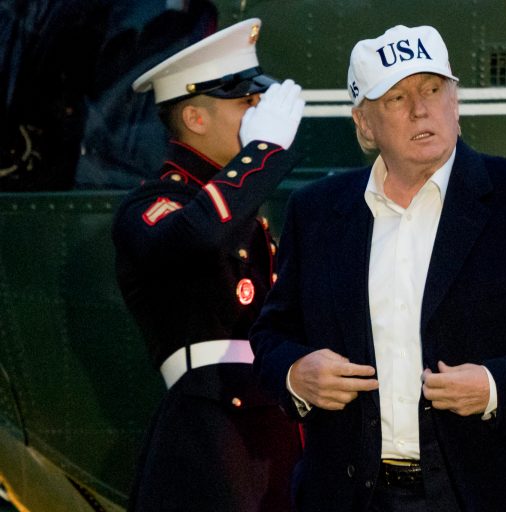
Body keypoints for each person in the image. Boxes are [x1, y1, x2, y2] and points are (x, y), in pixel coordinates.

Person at [250, 24, 506, 512]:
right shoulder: (317, 211)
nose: (420, 109)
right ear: (364, 124)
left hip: (503, 492)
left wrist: (496, 386)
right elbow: (271, 335)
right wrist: (295, 374)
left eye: (433, 89)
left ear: (456, 102)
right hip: (356, 495)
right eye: (397, 98)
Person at [112, 18, 304, 511]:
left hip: (269, 425)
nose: (259, 112)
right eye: (245, 102)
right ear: (196, 118)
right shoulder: (152, 207)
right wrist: (263, 153)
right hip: (212, 432)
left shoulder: (245, 214)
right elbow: (194, 236)